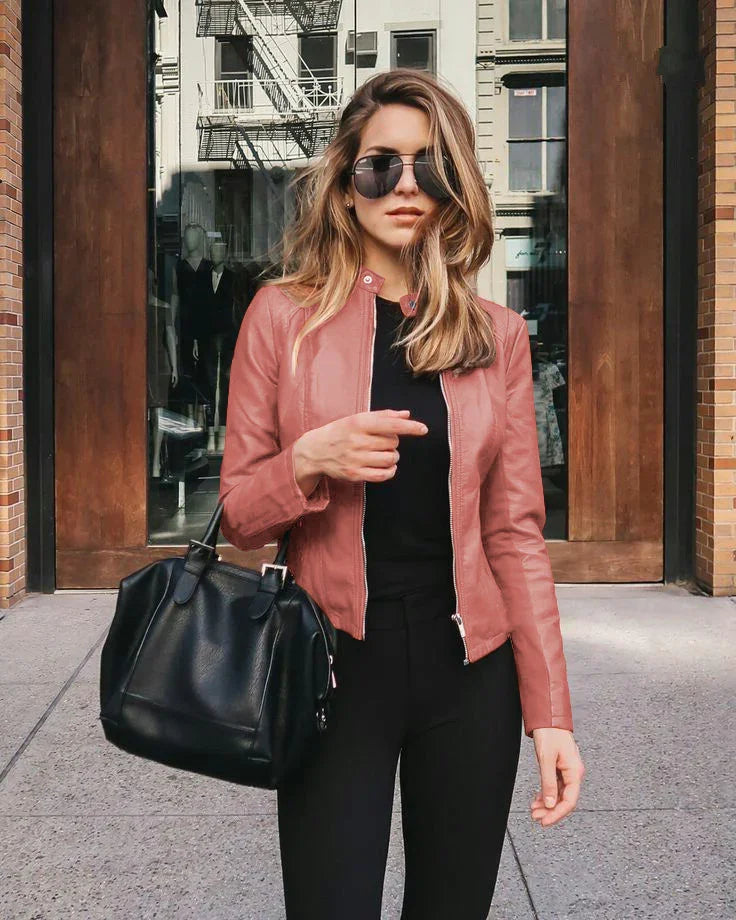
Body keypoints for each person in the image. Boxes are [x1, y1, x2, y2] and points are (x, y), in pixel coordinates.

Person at [218, 68, 585, 920]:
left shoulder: (494, 334)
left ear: (455, 188)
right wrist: (307, 461)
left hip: (472, 674)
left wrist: (552, 716)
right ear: (347, 186)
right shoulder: (281, 318)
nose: (407, 186)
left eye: (431, 167)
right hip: (332, 665)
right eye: (383, 165)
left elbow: (516, 533)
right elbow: (238, 515)